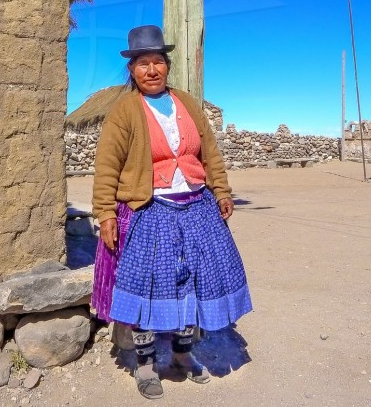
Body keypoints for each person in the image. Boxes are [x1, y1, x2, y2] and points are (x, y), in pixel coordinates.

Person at [91, 25, 252, 400]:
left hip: (198, 208)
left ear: (167, 66)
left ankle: (182, 355)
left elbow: (209, 151)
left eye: (157, 62)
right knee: (149, 291)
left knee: (195, 285)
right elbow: (106, 167)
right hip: (151, 211)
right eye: (142, 63)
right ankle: (146, 364)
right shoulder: (124, 111)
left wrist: (221, 190)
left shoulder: (186, 103)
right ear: (131, 70)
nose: (151, 70)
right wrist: (106, 215)